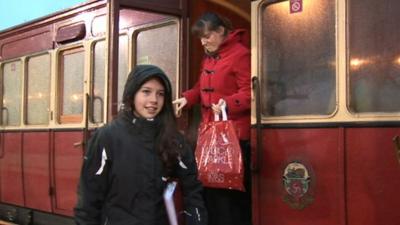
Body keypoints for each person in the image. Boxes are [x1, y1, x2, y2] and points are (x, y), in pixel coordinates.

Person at [74, 65, 208, 225]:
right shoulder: (107, 137)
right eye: (146, 92)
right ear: (132, 94)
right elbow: (90, 196)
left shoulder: (173, 139)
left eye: (160, 94)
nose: (153, 100)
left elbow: (192, 189)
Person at [173, 12, 252, 225]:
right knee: (210, 191)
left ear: (221, 31)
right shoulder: (209, 55)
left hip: (234, 137)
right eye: (201, 38)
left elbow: (250, 92)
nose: (203, 42)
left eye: (207, 36)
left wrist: (228, 102)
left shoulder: (241, 54)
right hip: (211, 135)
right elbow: (202, 87)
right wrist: (187, 99)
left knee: (229, 196)